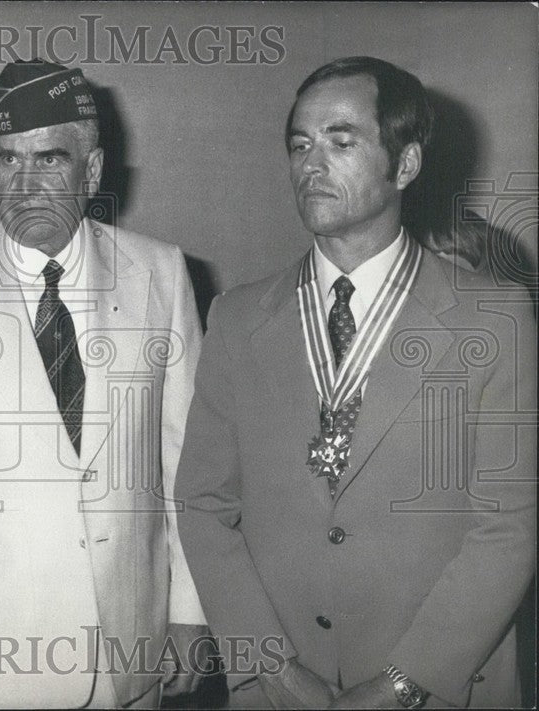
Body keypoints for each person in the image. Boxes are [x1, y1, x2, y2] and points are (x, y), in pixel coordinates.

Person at [175, 56, 536, 709]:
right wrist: (275, 669)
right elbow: (203, 504)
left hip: (447, 686)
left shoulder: (496, 314)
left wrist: (404, 682)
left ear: (406, 165)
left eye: (341, 141)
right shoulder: (236, 317)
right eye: (299, 143)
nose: (311, 163)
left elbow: (510, 523)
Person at [0, 59, 209, 708]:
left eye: (49, 159)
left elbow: (187, 462)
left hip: (132, 652)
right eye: (7, 160)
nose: (24, 184)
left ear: (91, 171)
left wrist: (191, 611)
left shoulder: (162, 274)